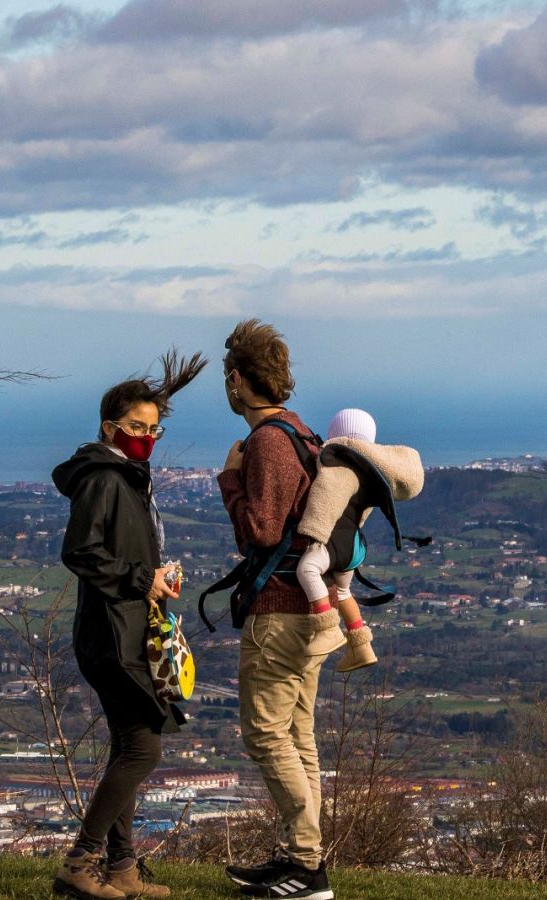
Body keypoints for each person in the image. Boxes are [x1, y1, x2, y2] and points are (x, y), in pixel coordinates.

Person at [51, 350, 207, 900]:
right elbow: (81, 551)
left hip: (123, 629)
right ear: (108, 427)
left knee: (129, 745)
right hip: (111, 636)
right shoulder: (105, 478)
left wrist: (154, 577)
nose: (145, 437)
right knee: (145, 747)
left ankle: (120, 868)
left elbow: (119, 554)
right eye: (135, 427)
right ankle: (80, 861)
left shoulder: (126, 475)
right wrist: (142, 578)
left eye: (153, 429)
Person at [216, 319, 340, 900]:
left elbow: (261, 531)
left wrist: (230, 481)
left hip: (281, 611)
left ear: (238, 381)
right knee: (298, 733)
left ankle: (307, 865)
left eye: (228, 378)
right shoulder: (303, 434)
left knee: (267, 734)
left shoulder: (267, 442)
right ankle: (301, 860)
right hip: (311, 608)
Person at [293, 408, 425, 673]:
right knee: (342, 592)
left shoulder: (340, 463)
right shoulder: (370, 470)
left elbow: (325, 496)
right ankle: (361, 646)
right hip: (354, 545)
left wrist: (313, 532)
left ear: (335, 434)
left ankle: (327, 629)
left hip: (334, 542)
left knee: (307, 569)